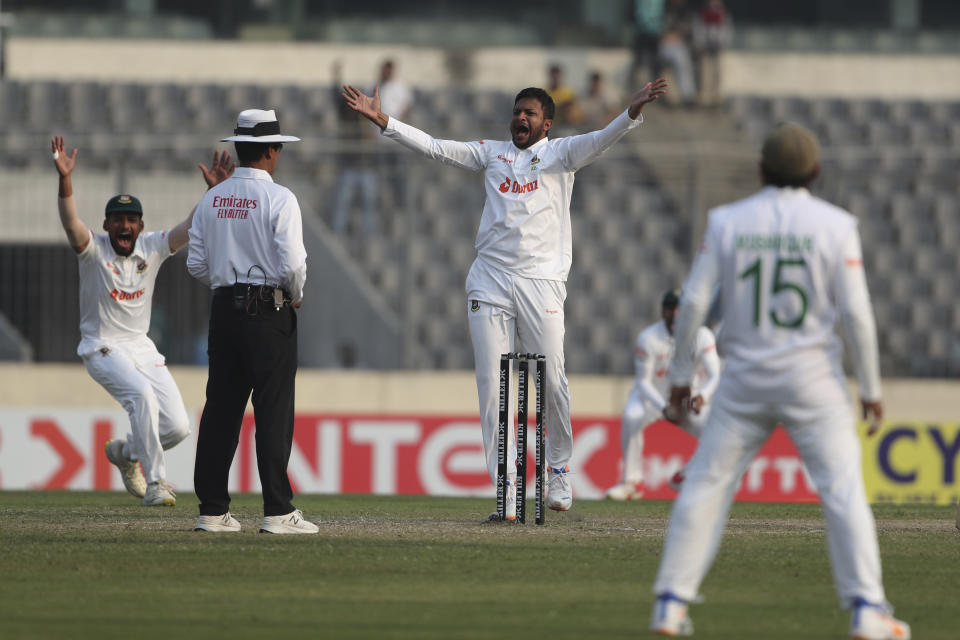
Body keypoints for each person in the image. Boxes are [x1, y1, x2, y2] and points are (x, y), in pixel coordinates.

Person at [342, 77, 668, 521]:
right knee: (495, 387)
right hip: (489, 281)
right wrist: (384, 121)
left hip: (541, 282)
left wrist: (631, 114)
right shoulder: (491, 153)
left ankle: (556, 466)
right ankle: (508, 490)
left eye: (530, 113)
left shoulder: (560, 154)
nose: (520, 118)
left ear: (547, 124)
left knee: (551, 378)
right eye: (517, 111)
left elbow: (600, 140)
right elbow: (437, 147)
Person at [649, 123, 910, 639]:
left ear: (762, 170)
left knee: (706, 484)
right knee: (842, 489)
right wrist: (872, 390)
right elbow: (858, 313)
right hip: (814, 381)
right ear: (815, 172)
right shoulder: (836, 225)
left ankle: (670, 606)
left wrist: (681, 376)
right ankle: (865, 610)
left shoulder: (727, 221)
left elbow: (696, 301)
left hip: (744, 379)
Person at [50, 135, 232, 507]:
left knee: (178, 426)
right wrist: (65, 179)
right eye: (118, 220)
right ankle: (157, 483)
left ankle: (126, 452)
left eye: (131, 220)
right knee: (141, 397)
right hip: (102, 346)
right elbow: (71, 224)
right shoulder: (93, 250)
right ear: (107, 224)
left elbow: (189, 228)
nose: (125, 226)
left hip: (141, 347)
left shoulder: (152, 246)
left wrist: (213, 194)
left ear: (140, 224)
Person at [186, 109, 317, 535]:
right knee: (273, 412)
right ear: (273, 150)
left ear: (239, 149)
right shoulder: (281, 198)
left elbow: (196, 264)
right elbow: (293, 264)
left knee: (221, 411)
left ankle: (212, 510)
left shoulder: (213, 198)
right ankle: (278, 511)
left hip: (224, 311)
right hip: (270, 311)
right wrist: (292, 295)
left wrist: (229, 285)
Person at [605, 289, 719, 501]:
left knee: (719, 426)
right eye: (670, 308)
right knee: (632, 416)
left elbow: (714, 375)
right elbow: (643, 382)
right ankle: (632, 483)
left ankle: (687, 476)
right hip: (651, 398)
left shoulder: (702, 336)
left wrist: (702, 396)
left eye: (681, 309)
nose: (676, 314)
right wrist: (664, 408)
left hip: (687, 398)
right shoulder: (649, 338)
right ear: (663, 312)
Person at [330, 60, 380, 235]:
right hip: (349, 166)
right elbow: (335, 96)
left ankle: (370, 237)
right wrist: (336, 76)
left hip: (366, 166)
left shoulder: (368, 118)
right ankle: (338, 234)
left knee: (369, 204)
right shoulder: (347, 115)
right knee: (342, 203)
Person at [692, 0, 733, 108]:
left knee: (717, 73)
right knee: (705, 72)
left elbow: (727, 31)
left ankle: (716, 97)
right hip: (705, 48)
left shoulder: (723, 14)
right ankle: (704, 97)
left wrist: (722, 41)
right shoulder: (702, 14)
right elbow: (697, 30)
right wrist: (700, 44)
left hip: (718, 48)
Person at [546, 64, 584, 131]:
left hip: (567, 126)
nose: (555, 79)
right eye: (553, 76)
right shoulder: (544, 93)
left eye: (557, 76)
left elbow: (576, 112)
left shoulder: (569, 93)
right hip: (551, 127)